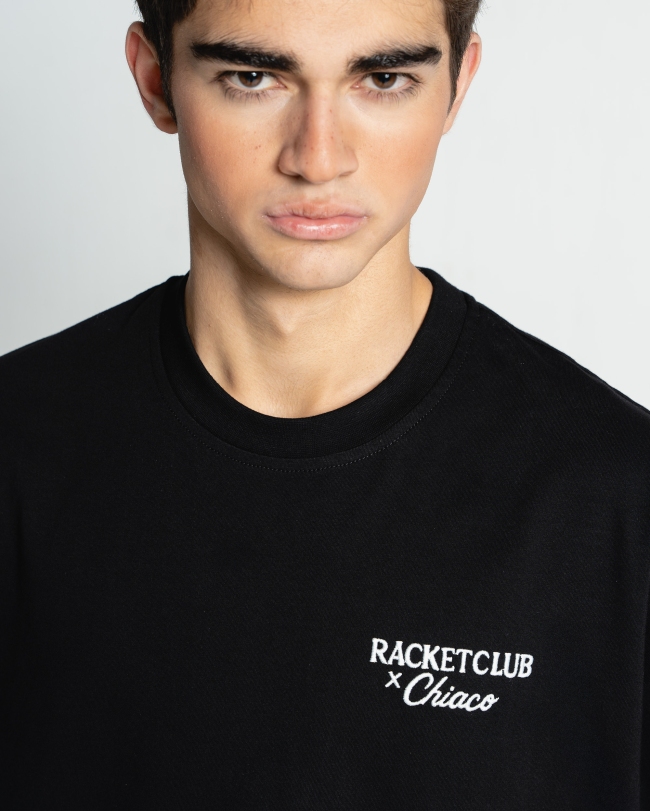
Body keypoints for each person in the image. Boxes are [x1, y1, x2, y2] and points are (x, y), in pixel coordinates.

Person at [1, 0, 648, 807]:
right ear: (156, 80)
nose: (318, 158)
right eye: (253, 77)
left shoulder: (619, 500)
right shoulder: (18, 448)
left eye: (384, 79)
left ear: (457, 86)